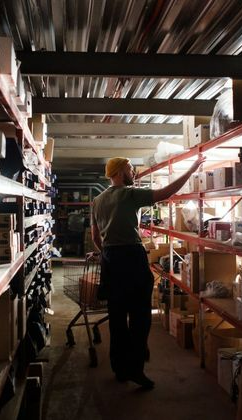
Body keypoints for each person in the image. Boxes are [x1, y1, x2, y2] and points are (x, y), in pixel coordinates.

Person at [90, 155, 206, 389]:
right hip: (131, 257)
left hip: (110, 259)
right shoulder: (130, 194)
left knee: (117, 317)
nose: (133, 172)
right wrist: (192, 169)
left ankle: (120, 368)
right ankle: (136, 368)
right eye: (130, 168)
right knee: (140, 316)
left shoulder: (97, 200)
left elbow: (95, 237)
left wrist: (108, 254)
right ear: (120, 172)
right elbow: (166, 192)